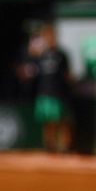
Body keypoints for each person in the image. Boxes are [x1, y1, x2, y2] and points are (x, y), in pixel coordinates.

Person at [28, 25, 72, 153]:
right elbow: (32, 72)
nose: (50, 39)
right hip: (44, 93)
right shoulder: (41, 56)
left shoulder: (61, 55)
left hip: (59, 93)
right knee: (47, 122)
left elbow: (67, 75)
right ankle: (50, 146)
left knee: (62, 121)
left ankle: (65, 147)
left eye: (52, 36)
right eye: (47, 37)